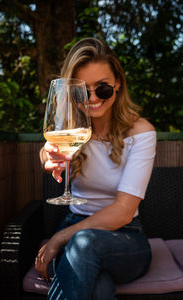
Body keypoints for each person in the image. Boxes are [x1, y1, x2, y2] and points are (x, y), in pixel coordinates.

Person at [35, 37, 156, 300]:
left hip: (125, 238)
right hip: (76, 227)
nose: (92, 99)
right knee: (98, 287)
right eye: (83, 91)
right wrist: (47, 157)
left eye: (102, 89)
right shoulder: (74, 130)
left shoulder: (142, 133)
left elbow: (124, 212)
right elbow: (49, 148)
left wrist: (58, 239)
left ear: (118, 84)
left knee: (83, 245)